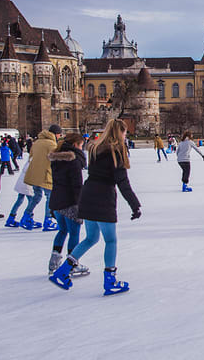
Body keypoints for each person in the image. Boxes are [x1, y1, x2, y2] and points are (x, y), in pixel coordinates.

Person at [49, 119, 142, 296]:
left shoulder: (95, 148)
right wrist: (135, 205)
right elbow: (122, 182)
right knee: (111, 240)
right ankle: (110, 280)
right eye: (124, 133)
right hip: (103, 198)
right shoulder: (116, 152)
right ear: (119, 133)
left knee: (91, 238)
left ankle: (62, 271)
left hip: (88, 194)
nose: (125, 136)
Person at [47, 133, 90, 278]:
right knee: (74, 232)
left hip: (56, 200)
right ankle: (72, 265)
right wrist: (81, 204)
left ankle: (53, 262)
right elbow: (77, 184)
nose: (82, 148)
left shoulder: (56, 158)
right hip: (70, 201)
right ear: (75, 145)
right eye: (81, 145)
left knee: (62, 230)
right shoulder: (74, 160)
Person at [24, 125, 62, 232]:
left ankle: (26, 216)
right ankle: (48, 220)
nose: (59, 136)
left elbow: (31, 156)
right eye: (59, 134)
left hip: (34, 173)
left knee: (37, 196)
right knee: (50, 197)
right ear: (55, 134)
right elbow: (56, 159)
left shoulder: (37, 142)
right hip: (45, 174)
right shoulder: (51, 144)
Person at [5, 157, 41, 230]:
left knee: (20, 200)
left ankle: (11, 217)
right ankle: (28, 218)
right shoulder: (34, 160)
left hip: (22, 182)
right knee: (31, 201)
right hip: (27, 183)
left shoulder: (31, 159)